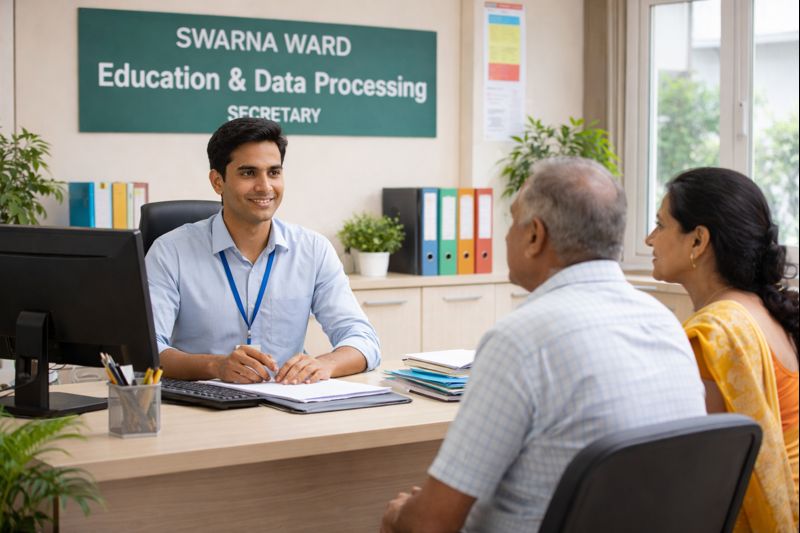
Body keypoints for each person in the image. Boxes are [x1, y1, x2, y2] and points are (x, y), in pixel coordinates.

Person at [381, 157, 706, 532]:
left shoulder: (520, 341)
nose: (504, 236)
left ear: (535, 236)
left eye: (512, 220)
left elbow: (431, 524)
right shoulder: (666, 323)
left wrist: (399, 515)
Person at [145, 118, 380, 384]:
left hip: (287, 406)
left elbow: (363, 340)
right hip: (203, 407)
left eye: (274, 172)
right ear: (217, 181)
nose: (265, 187)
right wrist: (215, 365)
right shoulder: (170, 251)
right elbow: (149, 350)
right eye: (248, 173)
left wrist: (324, 365)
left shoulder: (313, 250)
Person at [646, 167, 799, 531]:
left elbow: (701, 471)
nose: (649, 239)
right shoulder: (763, 310)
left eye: (660, 224)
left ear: (698, 240)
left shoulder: (717, 333)